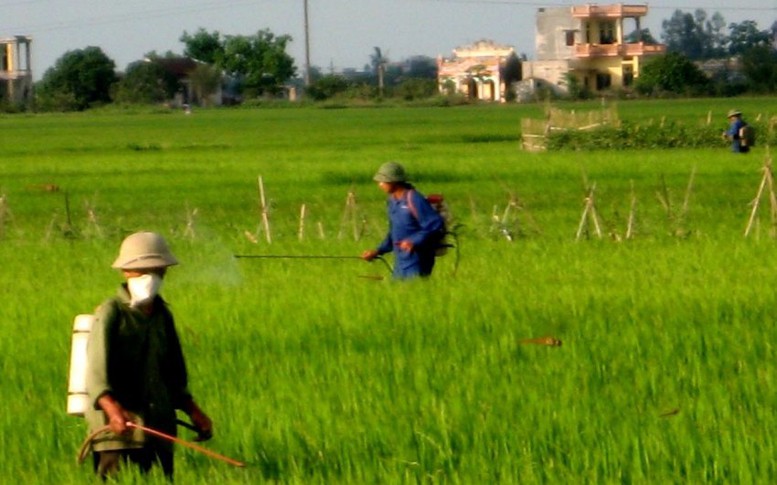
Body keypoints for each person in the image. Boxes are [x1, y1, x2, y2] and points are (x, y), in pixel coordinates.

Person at [85, 231, 212, 480]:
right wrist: (112, 411)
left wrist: (194, 412)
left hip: (158, 427)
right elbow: (96, 374)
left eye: (157, 271)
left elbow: (174, 376)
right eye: (142, 271)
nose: (150, 278)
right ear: (126, 272)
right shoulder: (112, 313)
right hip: (117, 434)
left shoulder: (163, 315)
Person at [361, 162, 444, 279]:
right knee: (397, 292)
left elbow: (434, 223)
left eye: (383, 181)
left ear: (394, 181)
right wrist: (378, 251)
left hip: (417, 257)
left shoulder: (414, 198)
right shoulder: (392, 201)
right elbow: (393, 232)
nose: (380, 185)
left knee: (415, 291)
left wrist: (413, 241)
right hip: (400, 259)